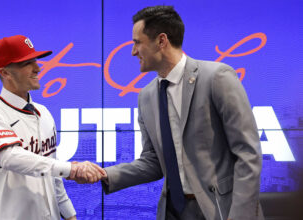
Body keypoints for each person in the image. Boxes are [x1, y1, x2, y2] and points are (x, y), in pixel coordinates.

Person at [101, 6, 264, 220]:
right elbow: (153, 162)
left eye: (137, 42)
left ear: (161, 41)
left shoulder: (217, 77)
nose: (133, 51)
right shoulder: (146, 96)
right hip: (172, 212)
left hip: (220, 210)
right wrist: (105, 175)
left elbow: (248, 153)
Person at [0, 35, 105, 220]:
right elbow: (10, 157)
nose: (37, 67)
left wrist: (70, 215)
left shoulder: (44, 113)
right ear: (5, 73)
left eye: (35, 60)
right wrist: (71, 169)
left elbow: (53, 176)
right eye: (27, 63)